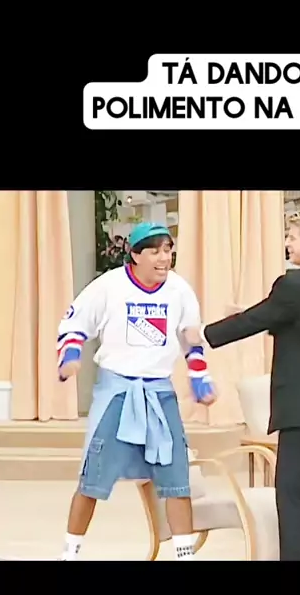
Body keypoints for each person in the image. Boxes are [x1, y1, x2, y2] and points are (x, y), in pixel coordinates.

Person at [187, 208, 300, 562]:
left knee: (291, 489)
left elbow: (258, 319)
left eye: (292, 237)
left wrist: (203, 334)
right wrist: (254, 314)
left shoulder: (293, 284)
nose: (287, 243)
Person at [57, 222, 216, 561]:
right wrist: (70, 357)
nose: (164, 258)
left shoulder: (180, 290)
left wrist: (200, 378)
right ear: (135, 255)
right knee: (92, 479)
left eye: (168, 250)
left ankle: (184, 554)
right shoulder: (109, 286)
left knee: (177, 478)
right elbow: (74, 324)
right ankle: (70, 552)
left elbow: (191, 339)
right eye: (155, 251)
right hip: (117, 392)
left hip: (160, 393)